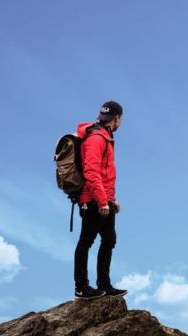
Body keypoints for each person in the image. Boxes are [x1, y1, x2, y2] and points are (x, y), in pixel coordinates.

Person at [73, 100, 128, 299]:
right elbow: (91, 172)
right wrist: (102, 201)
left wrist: (111, 200)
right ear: (118, 118)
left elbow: (105, 174)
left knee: (109, 240)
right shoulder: (96, 138)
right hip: (92, 199)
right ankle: (81, 288)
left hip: (104, 199)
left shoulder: (106, 136)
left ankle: (104, 285)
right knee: (86, 241)